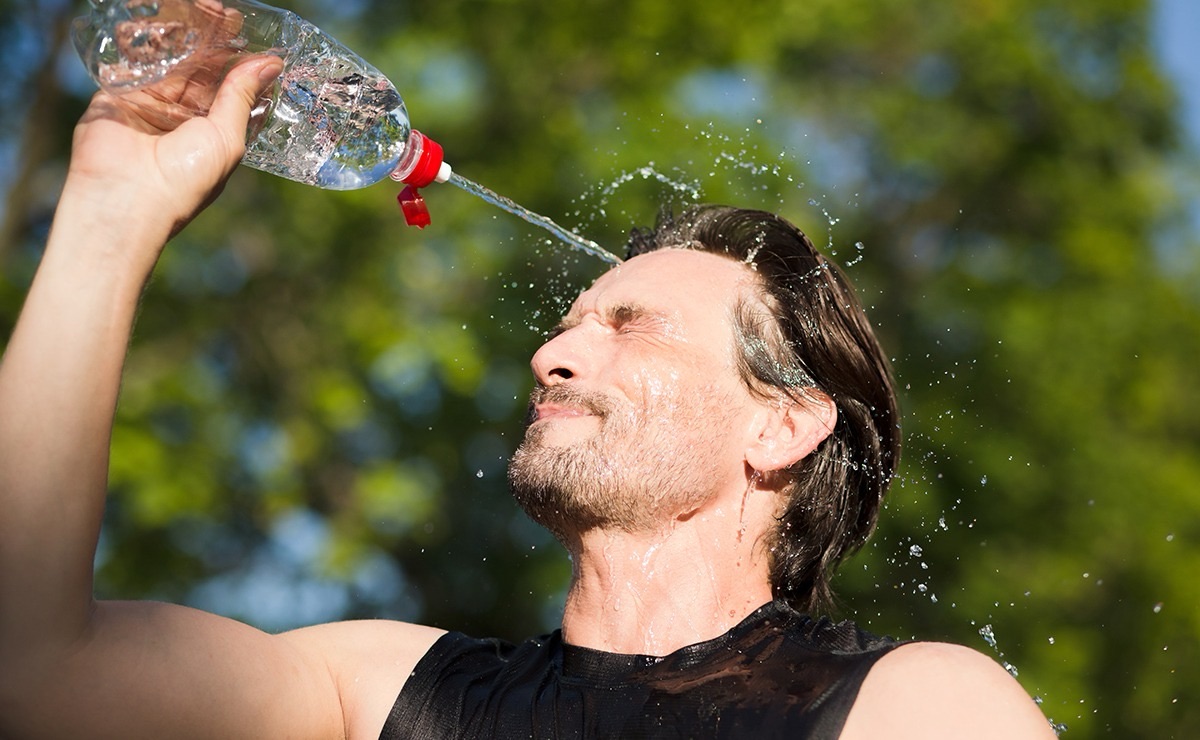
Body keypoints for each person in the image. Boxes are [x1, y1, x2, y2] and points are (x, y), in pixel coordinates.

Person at [0, 57, 1057, 739]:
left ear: (782, 424)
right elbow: (34, 669)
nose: (552, 353)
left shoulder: (914, 706)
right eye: (570, 321)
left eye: (630, 324)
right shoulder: (383, 692)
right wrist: (108, 213)